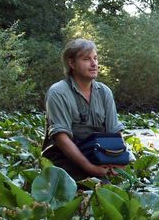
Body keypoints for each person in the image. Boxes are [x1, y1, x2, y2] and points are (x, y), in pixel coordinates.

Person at [42, 38, 124, 181]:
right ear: (71, 63)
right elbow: (61, 139)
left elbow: (115, 133)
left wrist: (117, 161)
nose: (94, 64)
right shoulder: (58, 92)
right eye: (86, 59)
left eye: (95, 58)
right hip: (63, 161)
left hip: (98, 157)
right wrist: (90, 169)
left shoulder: (105, 92)